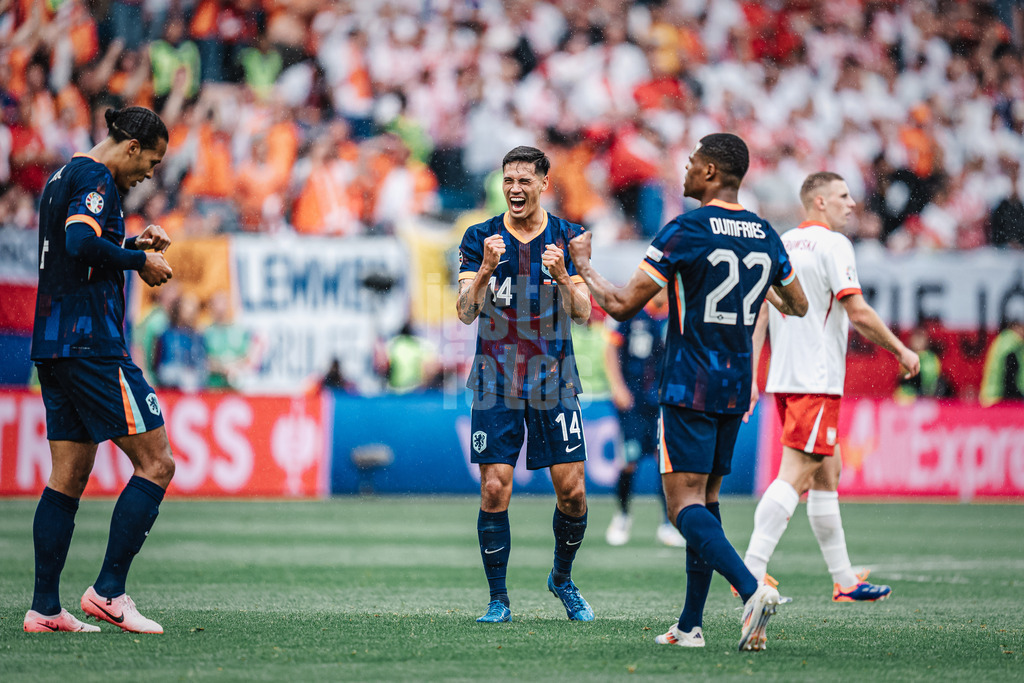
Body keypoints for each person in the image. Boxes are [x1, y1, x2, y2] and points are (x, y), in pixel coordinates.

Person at [569, 133, 808, 652]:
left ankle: (751, 589)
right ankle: (690, 625)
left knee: (682, 507)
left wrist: (584, 266)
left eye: (693, 163)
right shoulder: (766, 234)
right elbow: (798, 304)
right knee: (708, 500)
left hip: (687, 381)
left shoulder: (685, 230)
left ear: (713, 173)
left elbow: (624, 304)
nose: (684, 170)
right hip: (735, 383)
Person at [25, 106, 175, 635]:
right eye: (151, 162)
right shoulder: (95, 176)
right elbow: (78, 243)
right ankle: (109, 591)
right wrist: (141, 263)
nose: (149, 174)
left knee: (67, 475)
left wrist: (131, 243)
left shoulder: (63, 174)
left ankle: (44, 608)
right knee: (157, 463)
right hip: (91, 343)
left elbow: (79, 253)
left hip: (53, 344)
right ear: (131, 146)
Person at [741, 172, 920, 606]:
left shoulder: (781, 242)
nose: (852, 203)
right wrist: (900, 350)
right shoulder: (834, 244)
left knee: (828, 472)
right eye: (842, 196)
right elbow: (856, 310)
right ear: (818, 201)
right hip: (815, 381)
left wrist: (753, 377)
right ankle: (749, 570)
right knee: (797, 474)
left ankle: (844, 580)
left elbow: (762, 314)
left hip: (785, 379)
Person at [457, 146, 594, 624]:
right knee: (495, 488)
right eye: (508, 180)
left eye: (524, 180)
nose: (515, 189)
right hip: (495, 378)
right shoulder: (479, 237)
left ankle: (562, 577)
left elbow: (584, 313)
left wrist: (561, 276)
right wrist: (489, 270)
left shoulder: (568, 236)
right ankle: (499, 600)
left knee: (573, 492)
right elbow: (465, 310)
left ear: (543, 183)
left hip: (554, 379)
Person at [603, 287, 686, 548]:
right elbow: (610, 349)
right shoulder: (631, 309)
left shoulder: (678, 314)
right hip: (633, 401)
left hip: (664, 402)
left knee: (666, 462)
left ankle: (668, 522)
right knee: (629, 460)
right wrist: (617, 387)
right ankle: (623, 516)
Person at [979, 318, 1024, 406]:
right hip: (1001, 396)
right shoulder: (1013, 343)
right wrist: (1015, 395)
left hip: (991, 393)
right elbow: (1010, 374)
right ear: (1016, 328)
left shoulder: (1002, 340)